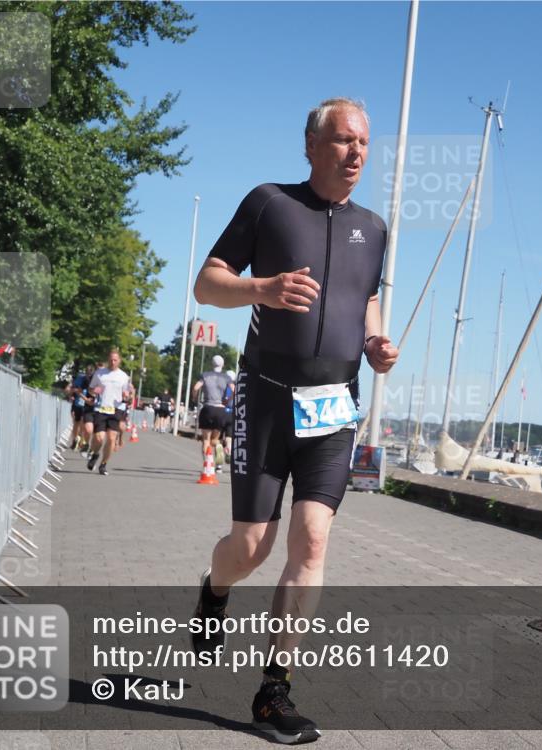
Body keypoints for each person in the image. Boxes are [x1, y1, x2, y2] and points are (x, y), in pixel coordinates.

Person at [190, 97, 398, 744]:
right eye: (342, 140)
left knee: (311, 541)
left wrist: (375, 345)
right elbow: (206, 283)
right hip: (266, 395)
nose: (356, 152)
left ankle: (273, 692)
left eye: (364, 141)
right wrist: (261, 288)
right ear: (311, 146)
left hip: (334, 406)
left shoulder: (375, 227)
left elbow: (364, 303)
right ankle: (215, 589)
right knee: (249, 548)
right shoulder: (269, 203)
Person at [86, 348, 133, 476]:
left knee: (111, 439)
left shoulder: (124, 376)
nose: (113, 362)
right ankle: (95, 454)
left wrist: (126, 396)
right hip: (101, 408)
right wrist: (94, 391)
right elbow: (90, 389)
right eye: (111, 360)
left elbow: (128, 396)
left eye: (115, 360)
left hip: (116, 409)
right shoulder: (100, 373)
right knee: (99, 438)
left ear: (119, 361)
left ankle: (103, 464)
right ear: (108, 360)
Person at [192, 355, 234, 472]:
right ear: (223, 365)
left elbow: (196, 388)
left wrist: (194, 398)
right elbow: (234, 390)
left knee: (206, 440)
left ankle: (207, 465)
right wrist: (227, 399)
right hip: (220, 410)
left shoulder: (205, 375)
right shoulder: (226, 377)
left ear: (212, 363)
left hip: (208, 408)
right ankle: (220, 449)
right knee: (216, 440)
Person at [68, 364, 95, 451]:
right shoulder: (80, 378)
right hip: (79, 403)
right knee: (77, 422)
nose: (88, 375)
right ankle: (76, 439)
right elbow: (73, 389)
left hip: (86, 404)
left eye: (90, 373)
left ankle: (80, 439)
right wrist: (73, 394)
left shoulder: (94, 379)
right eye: (87, 373)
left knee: (82, 423)